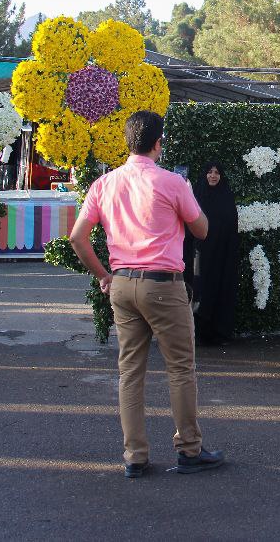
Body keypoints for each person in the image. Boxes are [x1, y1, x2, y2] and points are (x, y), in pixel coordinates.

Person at [69, 110, 225, 478]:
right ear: (159, 143)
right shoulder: (172, 182)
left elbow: (77, 237)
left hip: (122, 283)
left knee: (130, 372)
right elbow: (202, 229)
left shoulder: (104, 184)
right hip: (163, 284)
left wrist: (104, 275)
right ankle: (189, 449)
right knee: (180, 369)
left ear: (127, 141)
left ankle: (134, 456)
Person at [188, 162, 239, 346]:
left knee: (220, 289)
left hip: (221, 255)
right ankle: (199, 333)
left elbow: (232, 225)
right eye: (209, 172)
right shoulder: (196, 197)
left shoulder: (226, 197)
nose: (213, 176)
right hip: (199, 254)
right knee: (200, 290)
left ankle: (219, 332)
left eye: (217, 172)